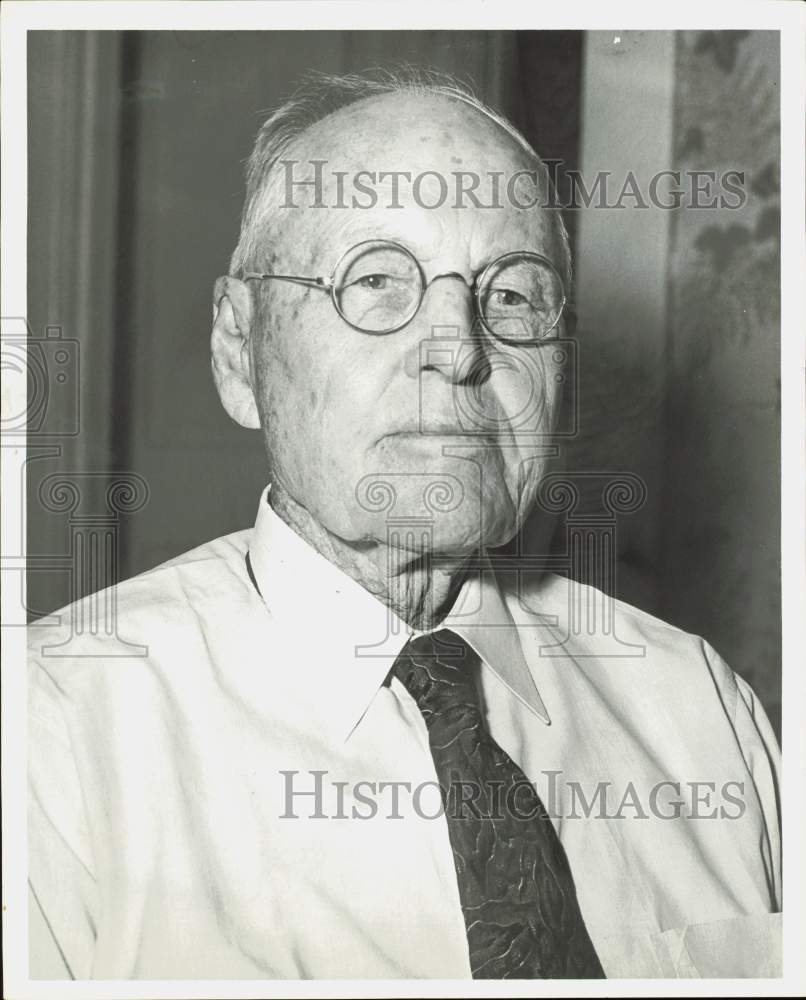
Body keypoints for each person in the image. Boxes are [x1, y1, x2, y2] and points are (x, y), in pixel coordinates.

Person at [28, 69, 781, 980]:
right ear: (240, 350)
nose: (460, 347)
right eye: (377, 280)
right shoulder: (51, 740)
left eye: (512, 295)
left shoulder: (703, 713)